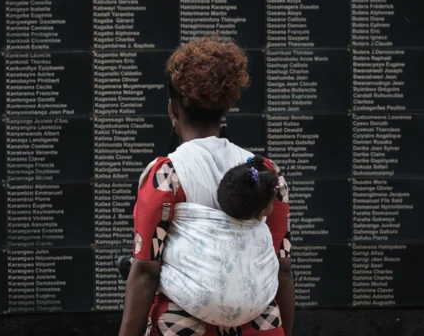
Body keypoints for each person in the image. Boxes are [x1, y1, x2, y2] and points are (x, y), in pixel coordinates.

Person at [118, 36, 294, 336]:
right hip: (260, 324)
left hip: (185, 325)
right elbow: (283, 267)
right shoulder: (266, 172)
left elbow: (146, 272)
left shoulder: (167, 175)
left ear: (172, 109)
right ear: (224, 109)